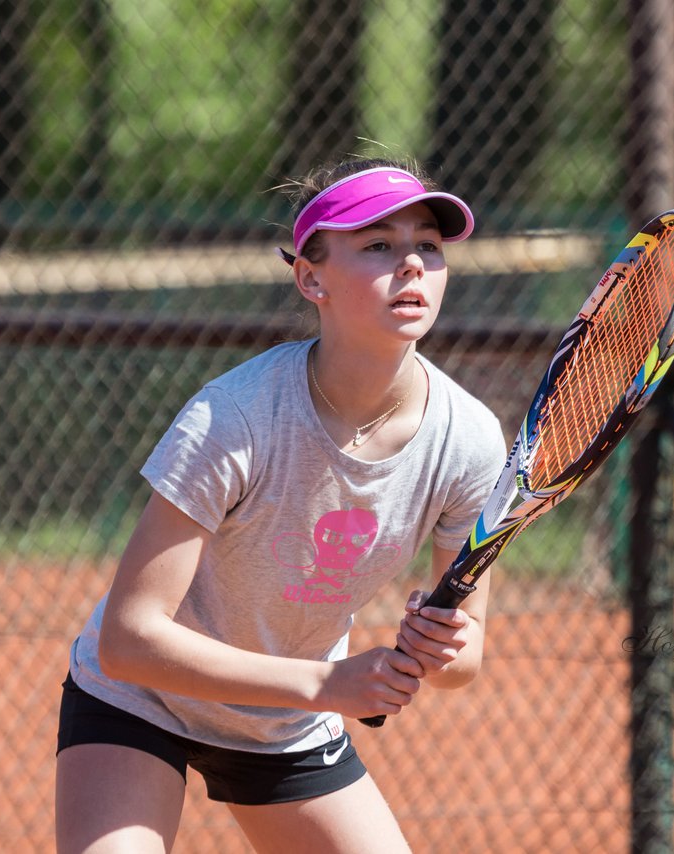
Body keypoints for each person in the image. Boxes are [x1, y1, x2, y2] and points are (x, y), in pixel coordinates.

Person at [55, 156, 506, 853]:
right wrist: (327, 682)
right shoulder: (235, 417)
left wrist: (444, 648)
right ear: (310, 277)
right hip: (141, 702)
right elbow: (128, 639)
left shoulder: (469, 440)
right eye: (379, 245)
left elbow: (466, 653)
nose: (412, 264)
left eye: (428, 244)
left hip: (284, 727)